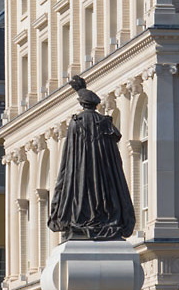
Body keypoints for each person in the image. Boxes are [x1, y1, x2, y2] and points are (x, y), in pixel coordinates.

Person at [48, 75, 135, 241]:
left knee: (83, 193)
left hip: (81, 172)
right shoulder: (104, 123)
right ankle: (103, 216)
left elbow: (69, 156)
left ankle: (84, 218)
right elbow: (114, 159)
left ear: (81, 103)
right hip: (104, 176)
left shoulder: (76, 122)